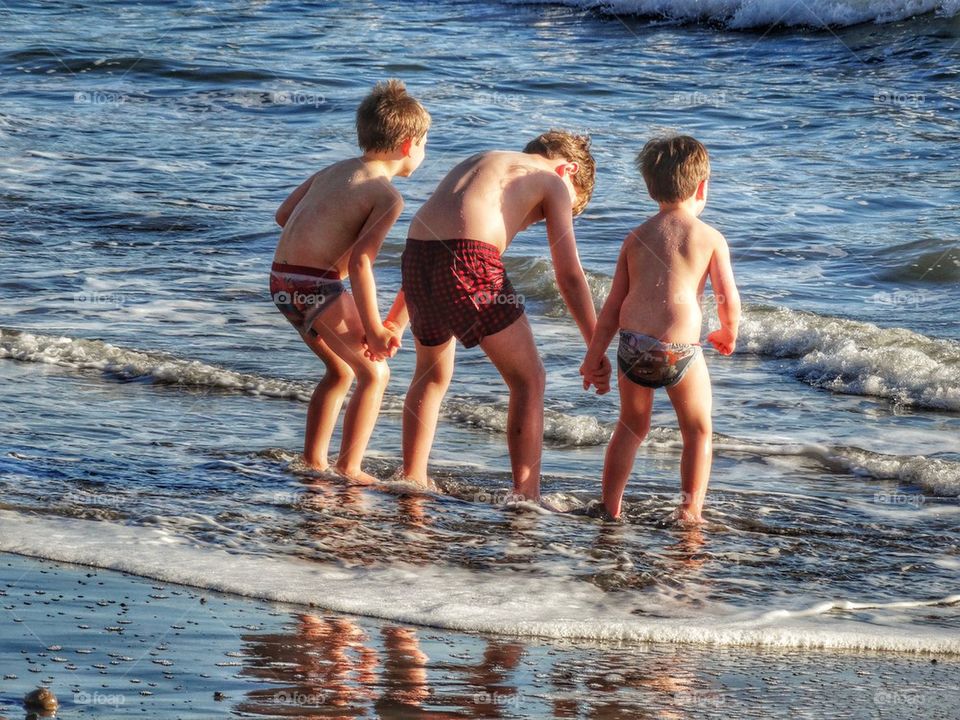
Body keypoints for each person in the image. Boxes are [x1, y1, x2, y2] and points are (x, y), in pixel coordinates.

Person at [399, 131, 604, 501]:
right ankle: (526, 496)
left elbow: (438, 237)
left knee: (431, 373)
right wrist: (594, 345)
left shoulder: (483, 157)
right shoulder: (554, 181)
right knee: (529, 379)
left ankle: (411, 477)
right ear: (569, 169)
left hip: (415, 255)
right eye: (546, 215)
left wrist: (395, 320)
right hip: (471, 258)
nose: (537, 220)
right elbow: (569, 275)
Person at [270, 79, 430, 482]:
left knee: (340, 371)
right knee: (375, 373)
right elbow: (361, 262)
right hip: (314, 286)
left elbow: (283, 215)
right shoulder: (387, 195)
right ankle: (349, 467)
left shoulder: (333, 169)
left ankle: (313, 462)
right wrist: (375, 328)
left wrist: (322, 234)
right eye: (426, 144)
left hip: (281, 280)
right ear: (409, 144)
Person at [580, 134, 740, 523]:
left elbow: (614, 306)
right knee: (698, 432)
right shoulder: (710, 238)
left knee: (631, 426)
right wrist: (728, 332)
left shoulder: (635, 238)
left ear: (652, 189)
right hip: (679, 352)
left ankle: (611, 506)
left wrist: (593, 356)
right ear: (702, 187)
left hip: (632, 347)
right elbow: (727, 298)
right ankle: (690, 510)